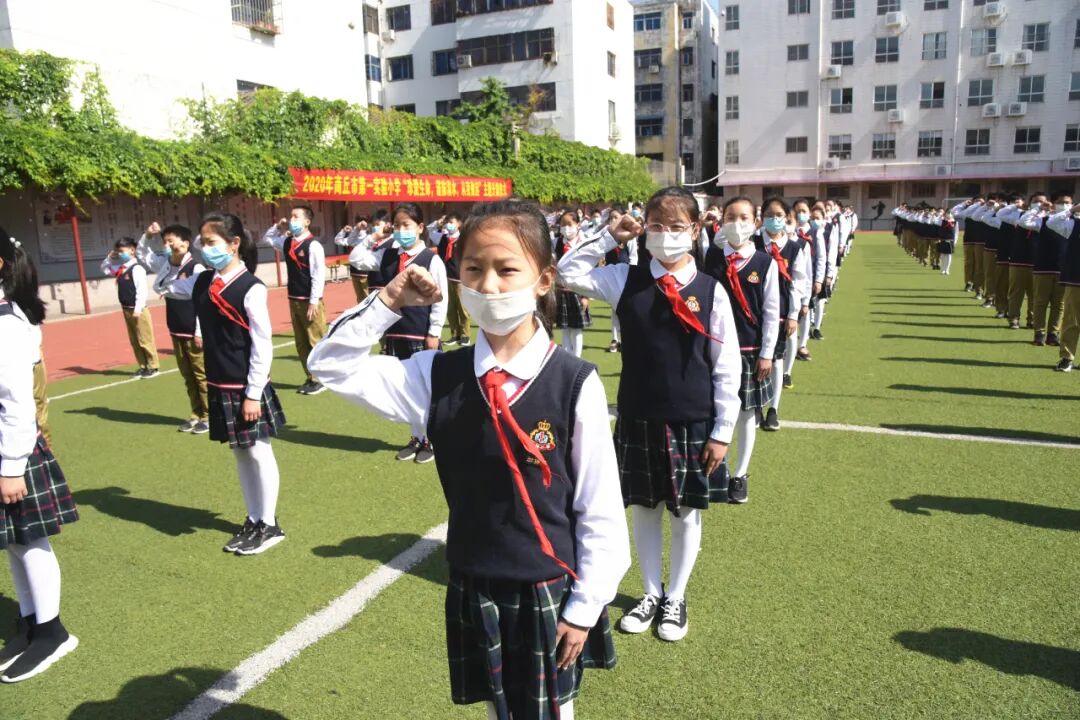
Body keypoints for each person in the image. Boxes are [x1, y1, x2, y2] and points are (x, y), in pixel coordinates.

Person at [309, 198, 630, 720]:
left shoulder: (574, 381)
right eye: (474, 269)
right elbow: (329, 366)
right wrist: (388, 300)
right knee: (499, 710)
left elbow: (599, 506)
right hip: (473, 577)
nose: (489, 285)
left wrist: (587, 604)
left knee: (552, 712)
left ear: (544, 280)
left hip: (548, 583)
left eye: (507, 270)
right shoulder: (435, 375)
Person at [557, 186, 741, 642]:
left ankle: (676, 596)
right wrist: (608, 236)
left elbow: (726, 365)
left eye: (677, 227)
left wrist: (722, 430)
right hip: (638, 415)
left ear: (695, 231)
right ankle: (651, 592)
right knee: (643, 507)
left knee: (685, 513)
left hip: (693, 419)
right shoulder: (625, 278)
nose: (666, 235)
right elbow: (566, 272)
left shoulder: (710, 290)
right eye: (657, 226)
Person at [171, 213, 287, 555]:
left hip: (245, 385)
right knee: (240, 452)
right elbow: (165, 286)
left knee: (259, 450)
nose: (205, 249)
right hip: (220, 382)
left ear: (234, 244)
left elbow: (263, 345)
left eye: (212, 243)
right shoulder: (201, 280)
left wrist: (253, 394)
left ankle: (270, 524)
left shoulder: (251, 287)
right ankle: (253, 517)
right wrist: (171, 255)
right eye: (202, 243)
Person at [0, 228, 79, 682]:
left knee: (30, 540)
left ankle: (52, 632)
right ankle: (30, 622)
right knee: (12, 542)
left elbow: (17, 404)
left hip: (12, 452)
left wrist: (12, 468)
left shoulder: (7, 324)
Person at [348, 203, 447, 465]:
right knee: (404, 389)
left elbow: (441, 299)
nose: (402, 231)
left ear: (420, 227)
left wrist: (434, 331)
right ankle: (416, 437)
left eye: (407, 225)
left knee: (425, 389)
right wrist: (374, 236)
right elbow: (356, 258)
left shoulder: (431, 259)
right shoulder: (388, 254)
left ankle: (430, 439)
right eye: (397, 226)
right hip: (395, 332)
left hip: (420, 333)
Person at [702, 196, 780, 498]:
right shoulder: (712, 257)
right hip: (714, 348)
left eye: (744, 218)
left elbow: (771, 310)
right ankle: (714, 469)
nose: (737, 223)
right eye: (730, 217)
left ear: (755, 222)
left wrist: (767, 353)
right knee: (713, 409)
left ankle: (740, 474)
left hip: (749, 349)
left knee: (747, 414)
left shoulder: (764, 262)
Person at [138, 222, 209, 433]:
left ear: (186, 244)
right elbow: (143, 254)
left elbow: (199, 301)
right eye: (165, 242)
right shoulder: (165, 264)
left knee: (201, 375)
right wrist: (147, 235)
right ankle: (196, 413)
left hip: (193, 330)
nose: (167, 246)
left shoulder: (196, 268)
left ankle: (209, 415)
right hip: (176, 328)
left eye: (171, 241)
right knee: (187, 375)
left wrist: (199, 332)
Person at [261, 206, 327, 395]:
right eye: (291, 217)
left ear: (307, 222)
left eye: (296, 217)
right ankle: (310, 377)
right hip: (294, 298)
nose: (292, 220)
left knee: (315, 339)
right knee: (301, 342)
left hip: (310, 300)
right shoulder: (288, 241)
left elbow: (318, 274)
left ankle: (321, 378)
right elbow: (267, 239)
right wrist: (278, 226)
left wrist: (314, 301)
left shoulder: (313, 245)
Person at [756, 198, 809, 430]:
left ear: (787, 217)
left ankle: (773, 408)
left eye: (778, 215)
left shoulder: (795, 248)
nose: (774, 219)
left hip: (781, 310)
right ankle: (757, 405)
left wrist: (793, 315)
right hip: (754, 309)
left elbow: (798, 282)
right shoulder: (753, 243)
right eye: (769, 215)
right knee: (756, 358)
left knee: (776, 360)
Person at [100, 237, 159, 378]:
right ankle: (143, 366)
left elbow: (141, 291)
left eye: (122, 251)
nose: (120, 254)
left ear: (132, 250)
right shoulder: (121, 269)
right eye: (118, 251)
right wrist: (110, 257)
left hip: (138, 310)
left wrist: (138, 309)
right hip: (126, 309)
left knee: (145, 339)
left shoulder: (137, 269)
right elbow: (105, 269)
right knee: (135, 340)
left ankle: (153, 366)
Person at [1021, 194, 1073, 346]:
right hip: (1043, 267)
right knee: (1040, 302)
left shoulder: (1073, 222)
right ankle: (1039, 333)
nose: (1064, 205)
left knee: (1059, 305)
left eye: (1067, 203)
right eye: (1061, 202)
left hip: (1063, 268)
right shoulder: (1043, 220)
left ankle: (1053, 333)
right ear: (1054, 204)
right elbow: (1024, 222)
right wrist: (1038, 209)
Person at [430, 212, 471, 347]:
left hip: (459, 278)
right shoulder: (443, 238)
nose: (449, 225)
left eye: (452, 222)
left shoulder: (463, 239)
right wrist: (438, 223)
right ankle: (455, 334)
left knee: (462, 308)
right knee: (450, 307)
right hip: (445, 278)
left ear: (459, 224)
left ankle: (465, 335)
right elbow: (429, 231)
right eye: (447, 222)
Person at [553, 212, 591, 358]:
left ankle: (576, 358)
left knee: (576, 329)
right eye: (563, 225)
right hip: (561, 291)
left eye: (569, 224)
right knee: (565, 329)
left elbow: (589, 269)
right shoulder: (557, 243)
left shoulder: (584, 243)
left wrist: (585, 296)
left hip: (578, 290)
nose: (566, 228)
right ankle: (567, 357)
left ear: (578, 225)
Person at [1049, 206, 1080, 371]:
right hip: (1076, 279)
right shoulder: (1074, 224)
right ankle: (1067, 358)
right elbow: (1052, 222)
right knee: (1071, 320)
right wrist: (1072, 210)